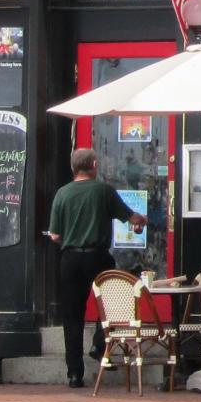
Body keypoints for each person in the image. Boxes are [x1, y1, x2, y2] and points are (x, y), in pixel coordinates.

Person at [45, 148, 146, 388]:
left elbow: (55, 235)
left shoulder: (62, 194)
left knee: (72, 316)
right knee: (110, 306)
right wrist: (142, 221)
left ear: (73, 167)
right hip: (98, 257)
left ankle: (74, 374)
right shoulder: (104, 191)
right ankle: (100, 346)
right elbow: (132, 219)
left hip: (70, 259)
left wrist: (70, 239)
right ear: (93, 164)